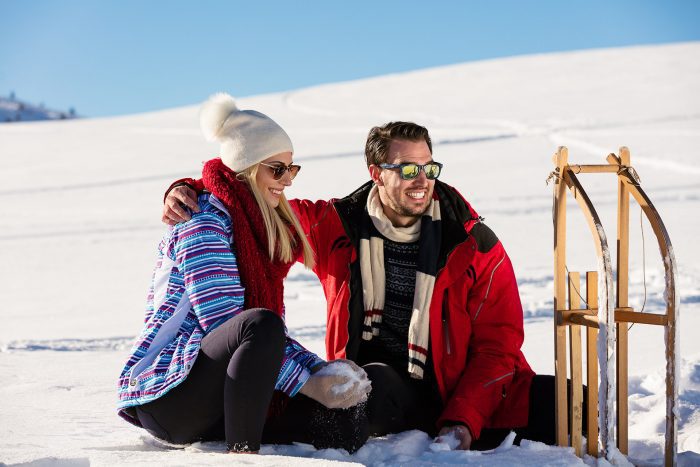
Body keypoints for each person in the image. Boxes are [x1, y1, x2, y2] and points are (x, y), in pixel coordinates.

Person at [163, 121, 571, 451]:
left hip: (464, 391)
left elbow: (498, 347)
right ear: (376, 173)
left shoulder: (473, 242)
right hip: (381, 387)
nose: (422, 180)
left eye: (429, 168)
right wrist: (194, 190)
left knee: (570, 403)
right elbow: (255, 202)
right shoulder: (337, 225)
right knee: (370, 387)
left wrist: (464, 420)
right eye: (408, 169)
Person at [118, 93, 371, 454]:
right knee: (260, 324)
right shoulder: (202, 221)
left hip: (222, 394)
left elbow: (263, 347)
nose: (287, 181)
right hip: (171, 396)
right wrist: (307, 381)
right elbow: (232, 325)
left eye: (292, 168)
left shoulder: (262, 226)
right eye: (277, 169)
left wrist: (322, 374)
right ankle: (243, 456)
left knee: (344, 425)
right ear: (247, 166)